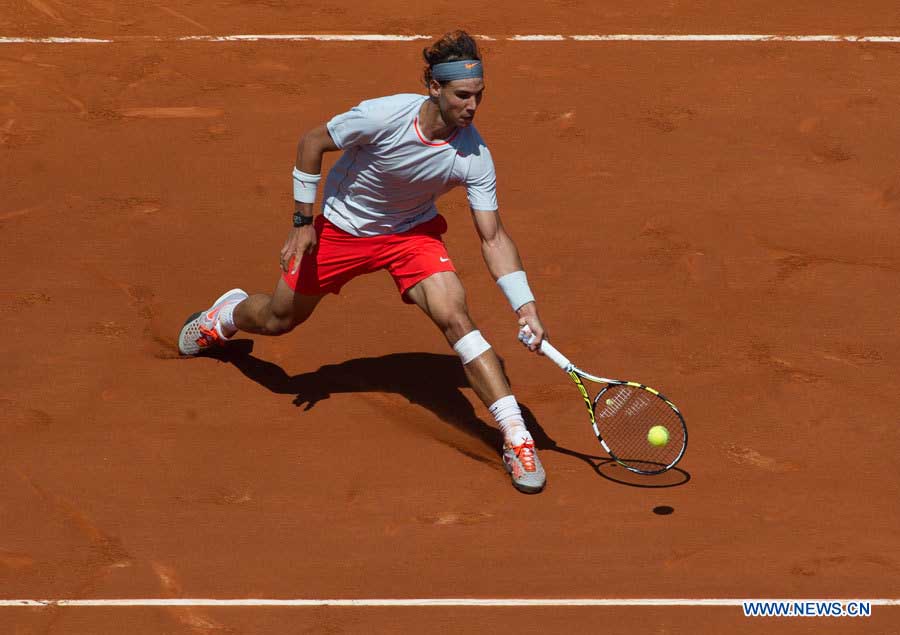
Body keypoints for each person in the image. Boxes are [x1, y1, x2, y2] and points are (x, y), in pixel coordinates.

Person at [178, 30, 549, 493]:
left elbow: (492, 236)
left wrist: (524, 304)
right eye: (462, 96)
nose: (472, 107)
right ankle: (225, 315)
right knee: (277, 319)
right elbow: (312, 143)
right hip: (340, 230)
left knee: (456, 315)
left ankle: (516, 436)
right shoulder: (383, 115)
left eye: (479, 96)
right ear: (434, 87)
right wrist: (301, 222)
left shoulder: (474, 155)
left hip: (410, 236)